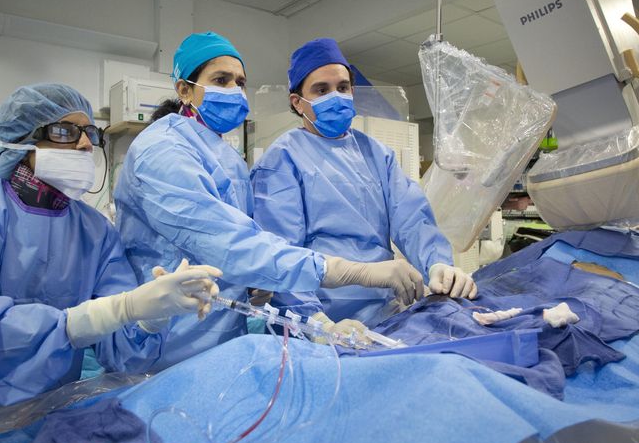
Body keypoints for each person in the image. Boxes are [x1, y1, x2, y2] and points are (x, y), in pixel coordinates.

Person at [0, 84, 220, 415]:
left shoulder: (94, 231)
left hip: (42, 420)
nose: (85, 145)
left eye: (89, 133)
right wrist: (81, 321)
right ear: (23, 141)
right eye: (66, 131)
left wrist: (148, 318)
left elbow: (124, 353)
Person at [114, 32, 427, 369]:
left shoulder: (229, 159)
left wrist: (254, 286)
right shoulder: (163, 150)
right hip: (165, 338)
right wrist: (351, 271)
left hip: (222, 336)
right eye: (221, 80)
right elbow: (230, 245)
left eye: (240, 82)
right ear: (184, 89)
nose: (234, 90)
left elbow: (255, 244)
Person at [250, 38, 476, 327]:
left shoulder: (377, 154)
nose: (336, 96)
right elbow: (282, 256)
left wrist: (437, 263)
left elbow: (412, 220)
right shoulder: (281, 161)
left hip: (386, 310)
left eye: (343, 88)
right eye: (322, 90)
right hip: (320, 317)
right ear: (298, 102)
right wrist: (315, 323)